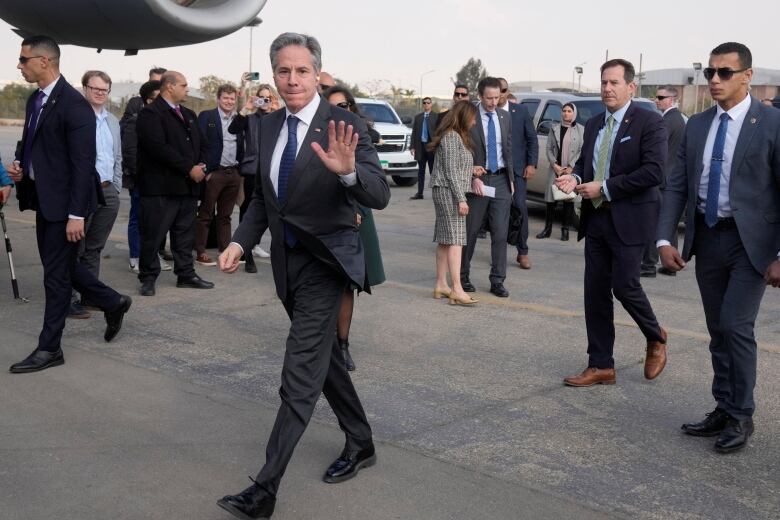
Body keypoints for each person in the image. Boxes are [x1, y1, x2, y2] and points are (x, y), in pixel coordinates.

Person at [216, 32, 390, 520]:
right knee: (324, 361)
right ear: (274, 75)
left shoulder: (346, 124)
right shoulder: (267, 127)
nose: (292, 80)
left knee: (298, 374)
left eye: (302, 71)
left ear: (318, 74)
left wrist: (349, 172)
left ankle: (265, 489)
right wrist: (237, 242)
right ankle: (361, 441)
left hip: (327, 264)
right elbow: (262, 201)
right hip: (287, 267)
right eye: (284, 71)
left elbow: (378, 195)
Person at [657, 42, 780, 454]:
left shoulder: (772, 124)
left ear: (748, 76)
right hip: (708, 239)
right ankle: (724, 407)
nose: (714, 79)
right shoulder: (696, 125)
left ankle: (742, 414)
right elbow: (678, 185)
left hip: (752, 245)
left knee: (735, 326)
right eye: (711, 72)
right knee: (716, 330)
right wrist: (664, 238)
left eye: (724, 72)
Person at [7, 35, 131, 374]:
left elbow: (82, 163)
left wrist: (77, 214)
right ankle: (113, 301)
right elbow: (31, 142)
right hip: (45, 201)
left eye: (24, 59)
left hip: (67, 208)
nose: (19, 65)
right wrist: (21, 167)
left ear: (44, 61)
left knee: (55, 277)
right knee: (60, 266)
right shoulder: (36, 100)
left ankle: (50, 349)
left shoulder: (74, 106)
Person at [555, 58, 668, 387]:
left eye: (614, 82)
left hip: (631, 219)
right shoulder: (593, 125)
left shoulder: (649, 122)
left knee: (625, 285)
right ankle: (601, 364)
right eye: (604, 82)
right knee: (595, 293)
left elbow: (653, 172)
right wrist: (574, 177)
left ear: (631, 87)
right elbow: (585, 166)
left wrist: (604, 187)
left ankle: (655, 335)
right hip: (597, 218)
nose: (607, 88)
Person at [324, 84, 387, 370]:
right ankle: (322, 342)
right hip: (324, 217)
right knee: (325, 284)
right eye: (333, 106)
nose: (340, 111)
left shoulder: (361, 134)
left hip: (356, 216)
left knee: (348, 285)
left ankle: (343, 345)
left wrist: (358, 211)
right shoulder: (318, 135)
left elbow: (371, 181)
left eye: (345, 105)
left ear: (352, 108)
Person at [135, 71, 213, 296]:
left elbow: (203, 144)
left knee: (185, 234)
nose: (187, 89)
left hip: (187, 189)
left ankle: (185, 274)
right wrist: (189, 168)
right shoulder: (150, 114)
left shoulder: (188, 114)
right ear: (169, 87)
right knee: (153, 235)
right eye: (184, 85)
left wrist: (202, 165)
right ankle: (148, 277)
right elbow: (158, 148)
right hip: (160, 188)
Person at [69, 70, 124, 318]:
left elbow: (117, 157)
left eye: (104, 90)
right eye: (95, 89)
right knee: (74, 247)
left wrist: (116, 185)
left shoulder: (112, 120)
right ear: (85, 89)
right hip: (83, 192)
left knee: (94, 247)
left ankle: (91, 296)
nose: (100, 93)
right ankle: (69, 299)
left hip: (107, 190)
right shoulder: (74, 117)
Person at [460, 76, 514, 298]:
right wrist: (470, 174)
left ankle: (498, 280)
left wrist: (512, 179)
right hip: (477, 181)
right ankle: (462, 276)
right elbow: (462, 148)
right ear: (480, 96)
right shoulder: (468, 117)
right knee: (471, 231)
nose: (493, 102)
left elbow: (508, 148)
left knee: (500, 233)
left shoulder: (505, 116)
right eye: (489, 98)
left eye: (497, 97)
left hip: (501, 180)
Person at [120, 67, 172, 272]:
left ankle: (151, 257)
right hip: (141, 181)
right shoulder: (135, 120)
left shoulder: (165, 121)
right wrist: (141, 176)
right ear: (148, 100)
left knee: (156, 221)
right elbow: (130, 153)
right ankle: (135, 256)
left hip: (159, 181)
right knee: (137, 219)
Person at [430, 101, 479, 306]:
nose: (475, 122)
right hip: (448, 191)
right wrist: (461, 198)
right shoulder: (451, 137)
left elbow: (456, 167)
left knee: (445, 239)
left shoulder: (456, 137)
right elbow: (450, 171)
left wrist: (473, 171)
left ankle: (441, 284)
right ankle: (457, 288)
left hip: (446, 189)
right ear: (464, 116)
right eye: (473, 117)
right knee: (456, 240)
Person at [229, 82, 280, 269]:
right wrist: (246, 107)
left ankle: (279, 249)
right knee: (248, 209)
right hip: (252, 169)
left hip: (273, 169)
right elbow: (232, 129)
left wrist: (277, 109)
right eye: (261, 97)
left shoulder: (279, 117)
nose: (264, 101)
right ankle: (247, 252)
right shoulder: (249, 118)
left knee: (275, 209)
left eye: (268, 97)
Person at [194, 85, 243, 266]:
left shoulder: (238, 119)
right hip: (214, 174)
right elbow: (198, 143)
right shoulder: (207, 117)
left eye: (232, 99)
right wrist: (204, 169)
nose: (229, 102)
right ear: (218, 99)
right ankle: (200, 252)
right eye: (226, 98)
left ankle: (225, 251)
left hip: (233, 174)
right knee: (206, 214)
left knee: (225, 216)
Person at [642, 85, 686, 277]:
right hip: (671, 179)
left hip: (662, 180)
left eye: (660, 97)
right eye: (656, 97)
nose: (656, 100)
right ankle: (671, 265)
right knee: (669, 223)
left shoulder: (668, 121)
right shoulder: (677, 119)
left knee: (654, 223)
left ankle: (648, 265)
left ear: (672, 99)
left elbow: (656, 150)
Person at [498, 77, 537, 268]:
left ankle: (523, 251)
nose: (500, 94)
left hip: (518, 171)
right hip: (495, 172)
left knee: (520, 208)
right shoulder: (485, 114)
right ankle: (498, 252)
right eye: (497, 90)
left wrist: (532, 164)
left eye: (504, 90)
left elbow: (532, 139)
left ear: (507, 91)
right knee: (497, 212)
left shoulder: (520, 111)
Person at [539, 102, 583, 241]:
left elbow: (582, 150)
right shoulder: (555, 128)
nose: (566, 113)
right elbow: (549, 148)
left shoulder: (581, 130)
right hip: (556, 169)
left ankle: (565, 230)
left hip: (570, 170)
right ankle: (547, 229)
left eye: (569, 111)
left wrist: (571, 166)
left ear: (574, 113)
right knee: (551, 200)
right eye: (564, 111)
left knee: (568, 200)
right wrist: (555, 165)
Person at [409, 96, 436, 200]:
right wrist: (412, 147)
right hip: (420, 147)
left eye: (428, 103)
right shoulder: (418, 117)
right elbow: (414, 132)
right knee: (421, 171)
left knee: (433, 171)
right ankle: (419, 193)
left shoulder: (435, 116)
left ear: (431, 104)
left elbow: (438, 132)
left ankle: (435, 193)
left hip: (431, 147)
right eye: (424, 103)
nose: (426, 104)